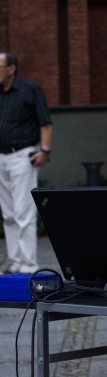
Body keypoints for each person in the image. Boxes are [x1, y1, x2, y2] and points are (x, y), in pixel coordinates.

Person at [0, 51, 52, 275]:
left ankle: (29, 265)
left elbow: (46, 123)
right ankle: (15, 262)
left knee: (24, 212)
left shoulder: (29, 89)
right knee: (8, 214)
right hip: (1, 158)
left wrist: (45, 150)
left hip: (23, 156)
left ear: (12, 68)